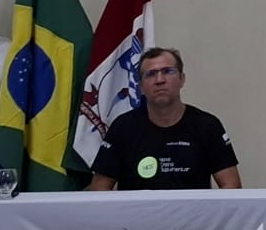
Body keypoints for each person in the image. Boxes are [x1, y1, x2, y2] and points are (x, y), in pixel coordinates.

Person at [88, 47, 242, 190]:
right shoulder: (122, 128)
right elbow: (99, 190)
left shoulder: (207, 125)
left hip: (192, 212)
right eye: (151, 74)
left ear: (182, 79)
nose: (159, 80)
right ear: (141, 87)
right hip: (138, 212)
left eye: (168, 71)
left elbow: (231, 187)